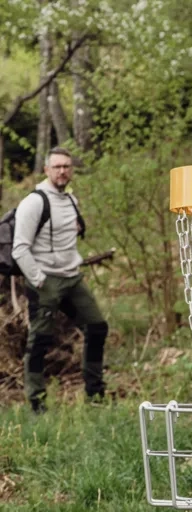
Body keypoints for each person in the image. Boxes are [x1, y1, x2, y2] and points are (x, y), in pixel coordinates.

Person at [13, 147, 108, 413]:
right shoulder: (33, 202)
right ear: (46, 170)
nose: (63, 171)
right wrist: (39, 279)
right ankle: (36, 401)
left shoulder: (71, 200)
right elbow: (20, 247)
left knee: (97, 327)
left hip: (72, 278)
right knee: (40, 339)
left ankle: (95, 394)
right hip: (45, 281)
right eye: (57, 167)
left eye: (66, 166)